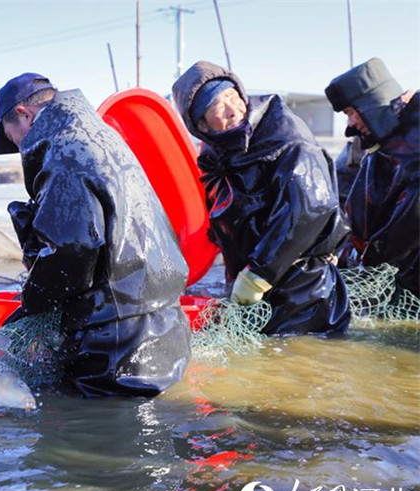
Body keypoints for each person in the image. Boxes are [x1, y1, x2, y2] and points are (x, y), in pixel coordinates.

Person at [0, 73, 191, 398]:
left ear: (25, 114)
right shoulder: (101, 135)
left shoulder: (64, 149)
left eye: (13, 139)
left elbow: (73, 250)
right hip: (164, 327)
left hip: (117, 342)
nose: (19, 148)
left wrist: (28, 306)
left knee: (104, 442)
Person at [172, 61, 350, 335]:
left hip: (304, 290)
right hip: (255, 286)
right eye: (217, 106)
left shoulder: (287, 138)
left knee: (297, 365)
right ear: (201, 125)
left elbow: (309, 209)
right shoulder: (218, 152)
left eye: (233, 96)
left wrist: (259, 275)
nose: (233, 110)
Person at [325, 57, 419, 297]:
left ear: (370, 103)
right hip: (393, 278)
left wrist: (374, 259)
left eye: (350, 113)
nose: (351, 124)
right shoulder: (379, 150)